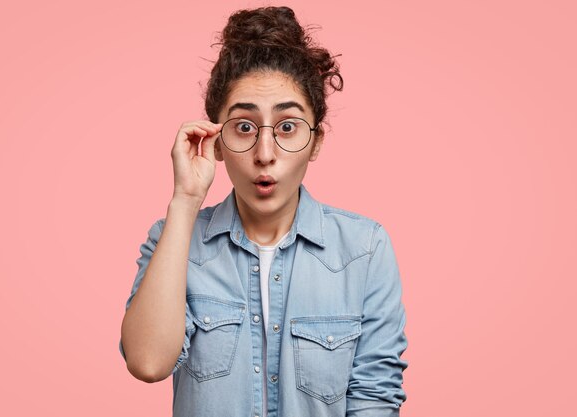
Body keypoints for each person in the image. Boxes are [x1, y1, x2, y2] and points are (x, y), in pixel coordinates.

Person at [119, 6, 408, 417]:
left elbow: (375, 398)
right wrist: (185, 201)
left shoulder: (364, 249)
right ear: (215, 140)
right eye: (244, 127)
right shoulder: (174, 240)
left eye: (288, 127)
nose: (265, 154)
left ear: (317, 140)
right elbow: (147, 363)